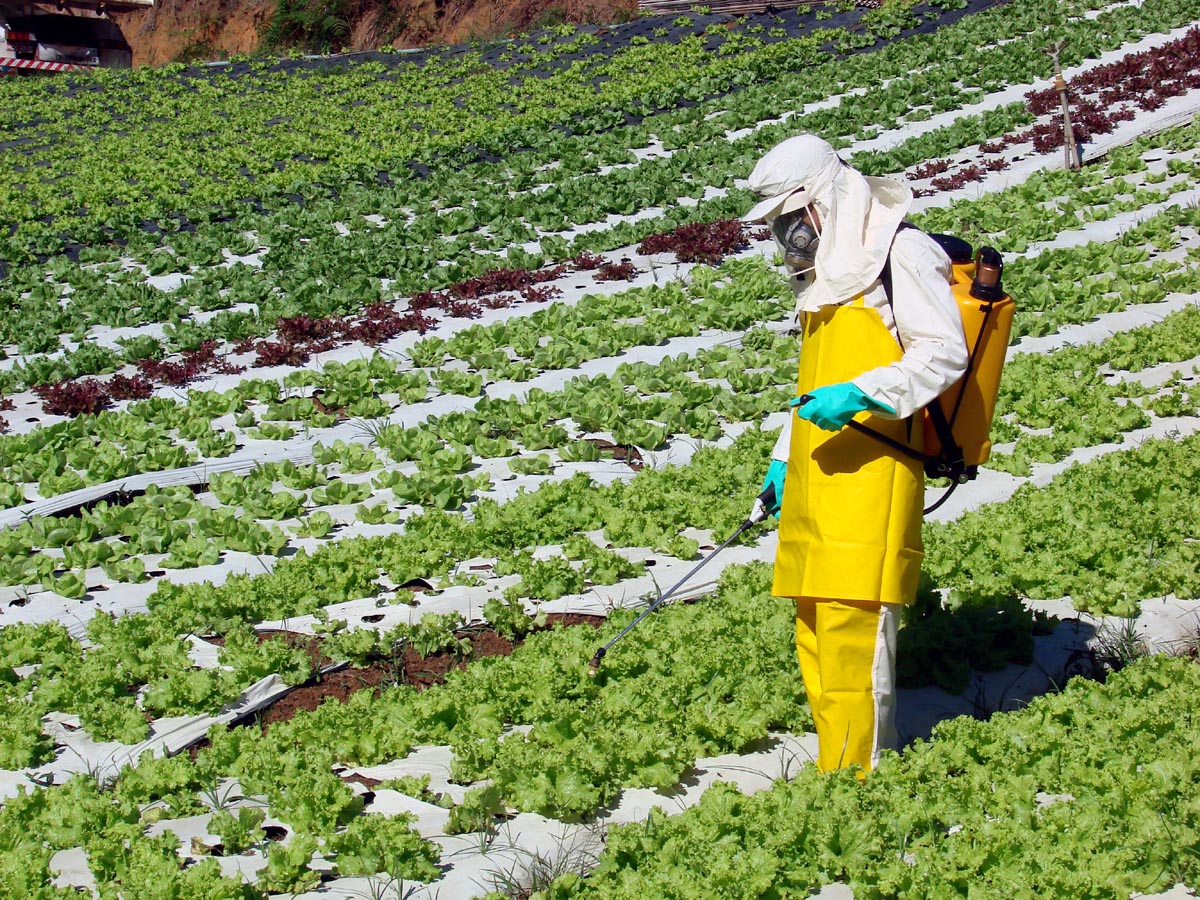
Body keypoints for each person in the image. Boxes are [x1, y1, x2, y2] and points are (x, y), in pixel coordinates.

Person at [744, 133, 968, 774]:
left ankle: (861, 773)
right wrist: (786, 458)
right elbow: (813, 387)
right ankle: (834, 764)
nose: (787, 235)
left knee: (856, 627)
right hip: (820, 474)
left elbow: (943, 353)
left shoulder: (902, 252)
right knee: (815, 627)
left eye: (791, 217)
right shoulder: (827, 278)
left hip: (874, 470)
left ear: (825, 200)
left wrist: (862, 395)